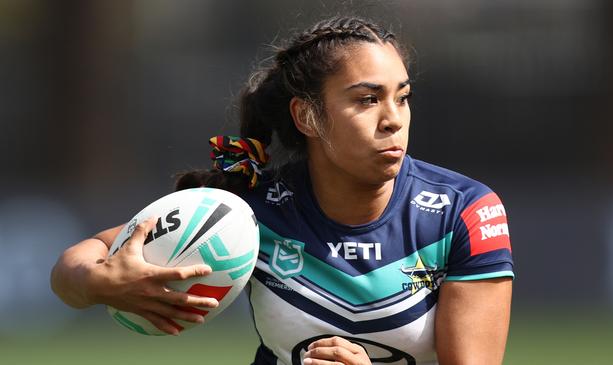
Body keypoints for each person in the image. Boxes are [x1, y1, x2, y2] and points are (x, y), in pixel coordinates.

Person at [51, 16, 513, 365]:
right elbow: (72, 268)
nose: (393, 118)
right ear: (306, 117)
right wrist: (99, 282)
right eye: (367, 99)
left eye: (403, 96)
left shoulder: (463, 212)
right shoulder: (249, 212)